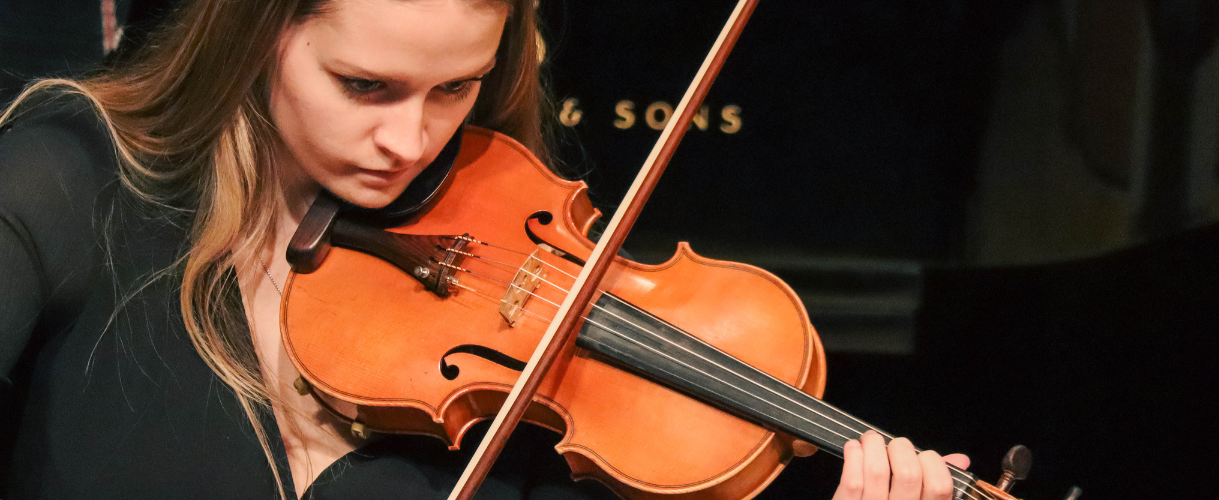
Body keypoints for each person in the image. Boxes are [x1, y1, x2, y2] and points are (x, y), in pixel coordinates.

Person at [0, 0, 969, 498]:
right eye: (365, 85)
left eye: (454, 90)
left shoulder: (511, 331)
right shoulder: (70, 183)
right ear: (256, 33)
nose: (411, 141)